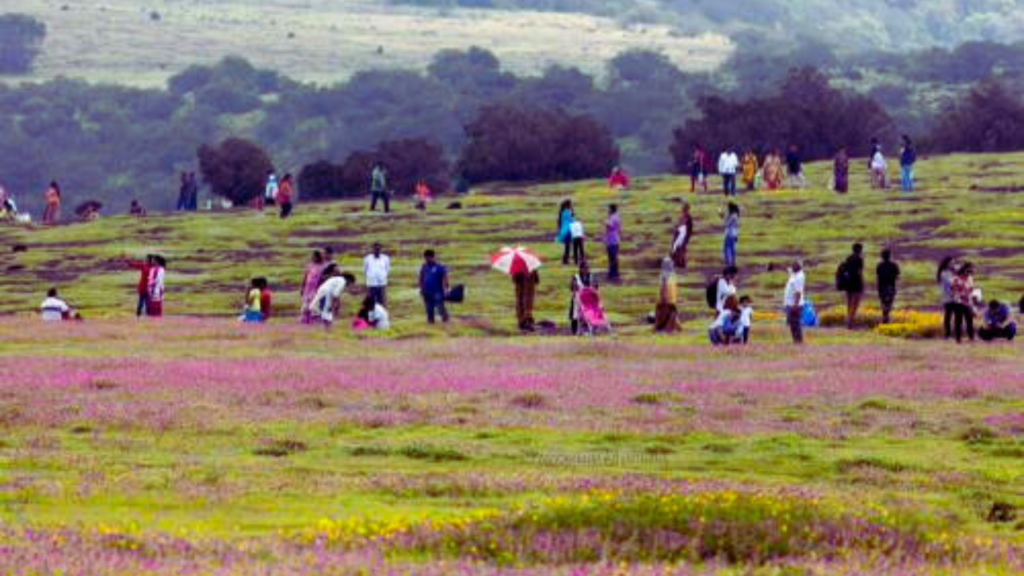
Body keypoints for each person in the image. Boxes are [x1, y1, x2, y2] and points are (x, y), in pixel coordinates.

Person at [838, 243, 865, 329]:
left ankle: (848, 321)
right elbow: (859, 272)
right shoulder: (859, 259)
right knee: (855, 303)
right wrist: (862, 283)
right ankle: (851, 323)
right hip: (856, 283)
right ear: (859, 250)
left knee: (849, 303)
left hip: (848, 283)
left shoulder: (848, 258)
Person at [419, 250, 450, 324]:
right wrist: (421, 288)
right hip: (427, 291)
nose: (427, 260)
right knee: (429, 309)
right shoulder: (424, 266)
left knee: (440, 307)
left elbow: (445, 277)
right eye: (426, 258)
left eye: (429, 258)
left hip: (437, 291)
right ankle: (431, 322)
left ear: (433, 257)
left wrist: (447, 289)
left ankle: (446, 320)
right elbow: (421, 277)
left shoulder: (439, 266)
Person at [950, 263, 976, 343]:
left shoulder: (970, 278)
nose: (968, 273)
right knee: (958, 320)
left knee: (969, 320)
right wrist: (961, 294)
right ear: (963, 270)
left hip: (968, 301)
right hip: (958, 301)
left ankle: (971, 337)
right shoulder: (956, 278)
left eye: (970, 272)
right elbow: (953, 289)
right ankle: (958, 338)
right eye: (967, 271)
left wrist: (972, 301)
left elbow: (971, 290)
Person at [654, 258, 680, 333]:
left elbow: (663, 296)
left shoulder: (664, 278)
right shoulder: (671, 277)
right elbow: (664, 296)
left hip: (667, 307)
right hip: (669, 307)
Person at [569, 260, 595, 335]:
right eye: (585, 268)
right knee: (575, 315)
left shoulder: (591, 276)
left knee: (588, 315)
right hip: (578, 299)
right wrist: (574, 286)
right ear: (581, 269)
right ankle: (575, 331)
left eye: (587, 268)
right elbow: (571, 287)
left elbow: (595, 286)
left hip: (588, 300)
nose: (586, 270)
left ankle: (588, 329)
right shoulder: (576, 277)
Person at [300, 250, 327, 324]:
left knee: (314, 305)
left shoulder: (323, 267)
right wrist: (302, 287)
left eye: (315, 257)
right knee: (306, 304)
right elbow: (305, 277)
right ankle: (305, 321)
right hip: (308, 288)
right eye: (313, 257)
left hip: (316, 288)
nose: (313, 258)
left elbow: (323, 278)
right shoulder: (310, 266)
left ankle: (314, 321)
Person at [876, 249, 901, 324]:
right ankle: (886, 317)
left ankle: (885, 316)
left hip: (881, 286)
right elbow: (897, 276)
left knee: (883, 302)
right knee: (889, 302)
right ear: (890, 256)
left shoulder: (879, 265)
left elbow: (878, 276)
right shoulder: (893, 265)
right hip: (891, 286)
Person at [784, 261, 806, 345]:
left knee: (795, 323)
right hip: (790, 303)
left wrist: (795, 305)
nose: (792, 266)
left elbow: (798, 292)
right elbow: (786, 269)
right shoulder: (794, 273)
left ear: (799, 267)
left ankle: (798, 340)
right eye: (792, 265)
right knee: (792, 323)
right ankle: (795, 340)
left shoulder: (799, 277)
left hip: (795, 304)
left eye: (794, 265)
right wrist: (774, 266)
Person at [937, 256, 957, 339]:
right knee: (948, 316)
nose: (952, 264)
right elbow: (949, 284)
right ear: (946, 264)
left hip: (956, 297)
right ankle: (947, 334)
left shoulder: (953, 272)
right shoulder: (944, 273)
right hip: (948, 297)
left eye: (953, 263)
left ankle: (955, 333)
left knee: (957, 316)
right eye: (951, 263)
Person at [671, 203, 694, 270]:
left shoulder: (687, 218)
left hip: (683, 235)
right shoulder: (683, 217)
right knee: (677, 249)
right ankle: (679, 262)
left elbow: (688, 229)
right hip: (680, 235)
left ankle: (681, 263)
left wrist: (686, 238)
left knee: (680, 249)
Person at [604, 204, 621, 281]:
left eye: (609, 209)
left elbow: (610, 225)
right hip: (611, 239)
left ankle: (613, 273)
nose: (608, 210)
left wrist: (606, 221)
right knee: (612, 257)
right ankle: (613, 273)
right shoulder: (613, 217)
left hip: (613, 240)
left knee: (613, 257)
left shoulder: (614, 217)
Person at [722, 203, 740, 268]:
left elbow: (727, 223)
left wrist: (722, 216)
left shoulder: (733, 216)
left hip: (730, 234)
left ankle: (730, 263)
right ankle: (731, 262)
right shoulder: (734, 216)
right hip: (732, 234)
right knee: (731, 249)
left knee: (728, 249)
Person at [556, 200, 574, 265]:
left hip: (564, 230)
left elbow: (560, 223)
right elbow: (571, 221)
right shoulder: (568, 212)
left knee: (567, 246)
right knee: (568, 246)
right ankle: (565, 260)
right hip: (568, 230)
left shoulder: (562, 212)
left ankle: (565, 259)